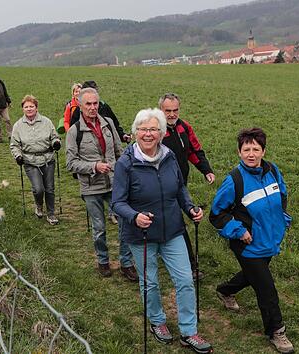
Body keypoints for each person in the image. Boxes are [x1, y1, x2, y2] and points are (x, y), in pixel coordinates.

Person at [111, 108, 213, 354]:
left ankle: (189, 331)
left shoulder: (169, 158)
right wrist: (135, 217)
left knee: (186, 280)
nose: (148, 134)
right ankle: (157, 321)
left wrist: (190, 208)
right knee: (150, 282)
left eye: (153, 129)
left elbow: (180, 190)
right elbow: (117, 202)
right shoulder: (126, 164)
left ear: (162, 133)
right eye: (143, 129)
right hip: (141, 234)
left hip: (172, 230)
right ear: (136, 132)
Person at [209, 127, 293, 354]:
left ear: (264, 151)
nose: (251, 154)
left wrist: (282, 218)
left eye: (256, 149)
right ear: (239, 152)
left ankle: (225, 290)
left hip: (270, 238)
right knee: (267, 289)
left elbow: (282, 195)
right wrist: (238, 231)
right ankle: (277, 331)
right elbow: (216, 214)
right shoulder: (234, 180)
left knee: (253, 275)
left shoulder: (273, 171)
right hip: (247, 243)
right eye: (246, 149)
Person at [65, 87, 137, 282]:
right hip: (91, 187)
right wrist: (94, 166)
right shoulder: (74, 132)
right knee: (99, 227)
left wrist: (126, 173)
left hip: (115, 184)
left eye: (95, 103)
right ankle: (103, 260)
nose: (92, 107)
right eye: (88, 104)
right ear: (79, 105)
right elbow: (70, 163)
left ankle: (126, 263)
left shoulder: (108, 123)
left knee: (125, 224)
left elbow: (118, 151)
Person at [159, 92, 215, 280]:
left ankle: (167, 250)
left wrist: (206, 169)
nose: (172, 114)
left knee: (173, 221)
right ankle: (190, 266)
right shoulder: (155, 129)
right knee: (178, 223)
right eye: (168, 111)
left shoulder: (184, 127)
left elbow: (194, 150)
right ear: (161, 110)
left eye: (175, 110)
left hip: (181, 183)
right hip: (161, 186)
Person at [10, 95, 61, 225]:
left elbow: (55, 136)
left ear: (36, 108)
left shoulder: (46, 122)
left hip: (48, 159)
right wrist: (18, 156)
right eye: (26, 107)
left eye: (31, 106)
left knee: (49, 188)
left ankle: (51, 214)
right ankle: (39, 205)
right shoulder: (18, 126)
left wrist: (56, 143)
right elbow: (14, 145)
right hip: (30, 162)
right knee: (39, 189)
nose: (29, 109)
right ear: (23, 109)